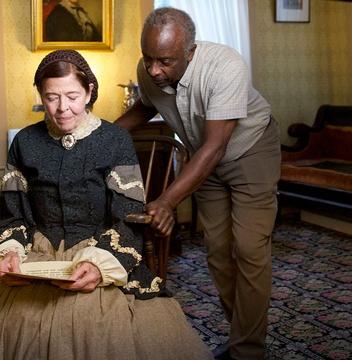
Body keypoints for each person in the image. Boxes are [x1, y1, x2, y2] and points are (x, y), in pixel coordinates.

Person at [0, 49, 212, 360]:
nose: (62, 108)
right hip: (37, 259)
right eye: (51, 97)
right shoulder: (25, 142)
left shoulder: (115, 140)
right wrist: (9, 253)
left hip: (100, 255)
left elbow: (128, 217)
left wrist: (98, 265)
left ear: (90, 91)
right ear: (41, 95)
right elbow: (12, 214)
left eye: (72, 96)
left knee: (97, 326)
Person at [115, 7, 281, 360]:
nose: (154, 70)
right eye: (148, 59)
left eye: (165, 61)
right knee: (219, 254)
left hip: (250, 152)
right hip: (205, 159)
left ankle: (247, 351)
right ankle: (243, 336)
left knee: (249, 249)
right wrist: (102, 136)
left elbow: (216, 145)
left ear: (190, 51)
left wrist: (166, 201)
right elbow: (146, 107)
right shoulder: (150, 71)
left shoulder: (225, 66)